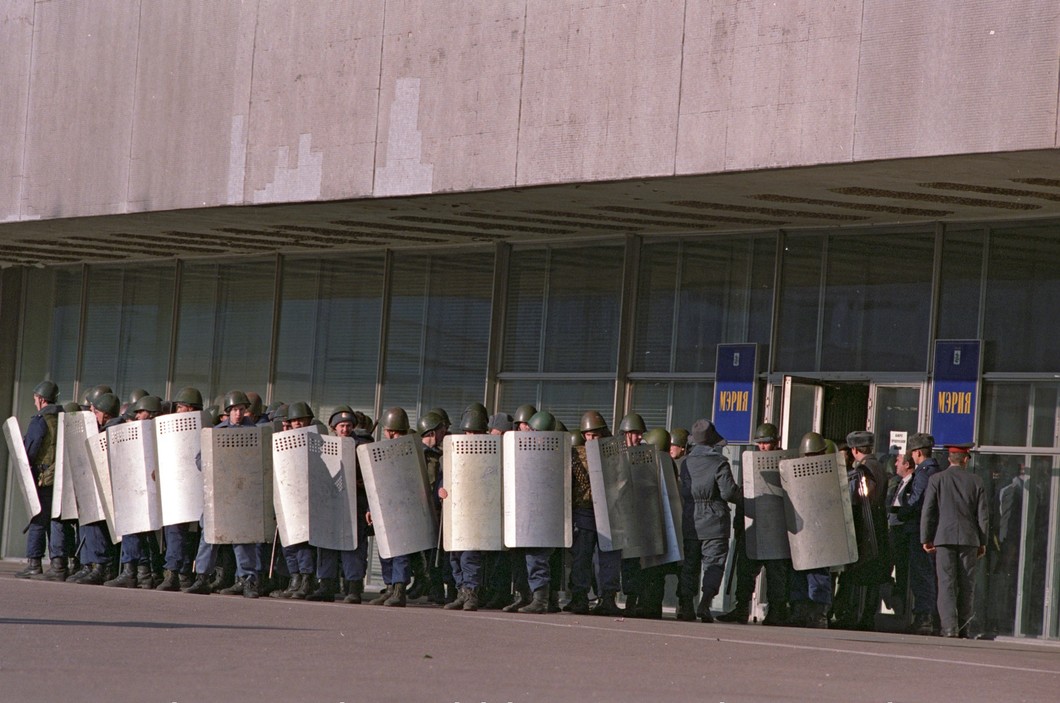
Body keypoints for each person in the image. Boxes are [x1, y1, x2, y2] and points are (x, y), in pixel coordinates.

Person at [718, 422, 790, 625]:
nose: (762, 448)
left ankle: (777, 611)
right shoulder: (752, 462)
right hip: (754, 526)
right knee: (745, 570)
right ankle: (741, 609)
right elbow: (745, 492)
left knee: (776, 573)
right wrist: (739, 523)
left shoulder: (785, 462)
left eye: (766, 444)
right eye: (760, 444)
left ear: (775, 443)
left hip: (776, 527)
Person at [921, 445, 989, 638]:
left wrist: (926, 537)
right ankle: (964, 627)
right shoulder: (976, 481)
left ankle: (949, 628)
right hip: (970, 540)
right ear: (965, 459)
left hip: (943, 538)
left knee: (946, 584)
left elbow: (928, 511)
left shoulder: (937, 479)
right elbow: (983, 516)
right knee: (967, 584)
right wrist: (982, 541)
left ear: (949, 459)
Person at [307, 406, 372, 603]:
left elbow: (372, 481)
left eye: (349, 425)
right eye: (341, 426)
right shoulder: (322, 445)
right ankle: (326, 585)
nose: (345, 429)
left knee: (353, 548)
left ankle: (353, 588)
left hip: (356, 504)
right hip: (330, 504)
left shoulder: (362, 447)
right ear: (333, 427)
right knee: (326, 545)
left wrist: (369, 507)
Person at [677, 418, 739, 623]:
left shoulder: (684, 462)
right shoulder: (719, 462)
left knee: (689, 565)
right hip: (715, 521)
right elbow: (729, 493)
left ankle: (686, 606)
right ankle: (705, 603)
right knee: (714, 564)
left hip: (690, 520)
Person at [563, 410, 623, 616]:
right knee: (581, 557)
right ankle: (579, 597)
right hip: (584, 511)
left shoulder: (614, 452)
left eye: (595, 435)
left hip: (609, 510)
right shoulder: (575, 454)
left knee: (608, 558)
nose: (591, 439)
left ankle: (607, 597)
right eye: (588, 435)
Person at [16, 381, 74, 581]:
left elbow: (30, 449)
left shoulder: (41, 420)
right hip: (63, 476)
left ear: (41, 399)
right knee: (57, 519)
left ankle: (34, 563)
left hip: (45, 477)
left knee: (38, 519)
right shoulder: (65, 418)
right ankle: (58, 565)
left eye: (35, 399)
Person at [832, 430, 889, 630]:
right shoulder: (879, 467)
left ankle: (850, 615)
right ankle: (866, 616)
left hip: (864, 528)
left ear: (855, 450)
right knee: (873, 576)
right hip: (878, 526)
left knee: (855, 574)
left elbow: (858, 499)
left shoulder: (863, 470)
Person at [366, 407, 415, 607]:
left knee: (396, 550)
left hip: (396, 507)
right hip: (394, 506)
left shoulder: (397, 450)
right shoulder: (411, 448)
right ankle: (391, 588)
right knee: (389, 549)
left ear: (389, 431)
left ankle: (397, 590)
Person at [785, 431, 834, 628]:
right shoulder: (796, 472)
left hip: (818, 530)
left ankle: (816, 612)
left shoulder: (829, 473)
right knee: (803, 571)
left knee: (815, 572)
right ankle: (807, 611)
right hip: (806, 530)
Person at [270, 402, 317, 600]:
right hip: (286, 497)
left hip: (306, 499)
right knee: (288, 544)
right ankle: (295, 579)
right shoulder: (281, 441)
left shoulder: (317, 441)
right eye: (294, 420)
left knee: (303, 543)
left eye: (301, 420)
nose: (297, 423)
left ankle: (306, 580)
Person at [901, 432, 941, 635]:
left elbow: (917, 502)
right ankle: (927, 617)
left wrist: (901, 510)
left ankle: (924, 618)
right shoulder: (936, 470)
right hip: (931, 531)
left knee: (921, 576)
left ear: (917, 453)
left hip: (919, 531)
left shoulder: (924, 473)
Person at [885, 451, 916, 614]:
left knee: (902, 571)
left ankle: (900, 605)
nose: (895, 464)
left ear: (907, 465)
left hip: (902, 533)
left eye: (898, 461)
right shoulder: (899, 482)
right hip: (894, 531)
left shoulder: (912, 483)